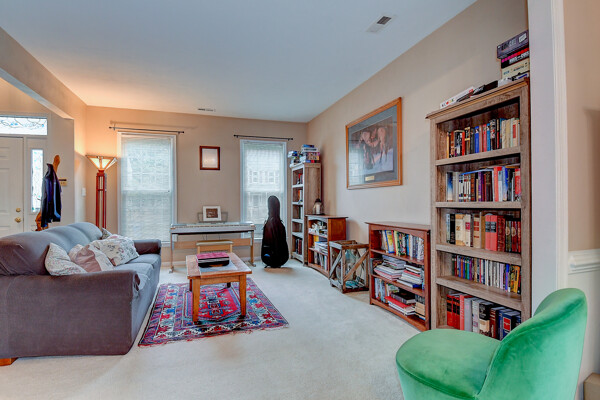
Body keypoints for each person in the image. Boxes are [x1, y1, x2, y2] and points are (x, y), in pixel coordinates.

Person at [261, 196, 289, 268]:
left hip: (269, 258)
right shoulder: (279, 223)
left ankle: (273, 260)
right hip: (281, 259)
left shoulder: (270, 222)